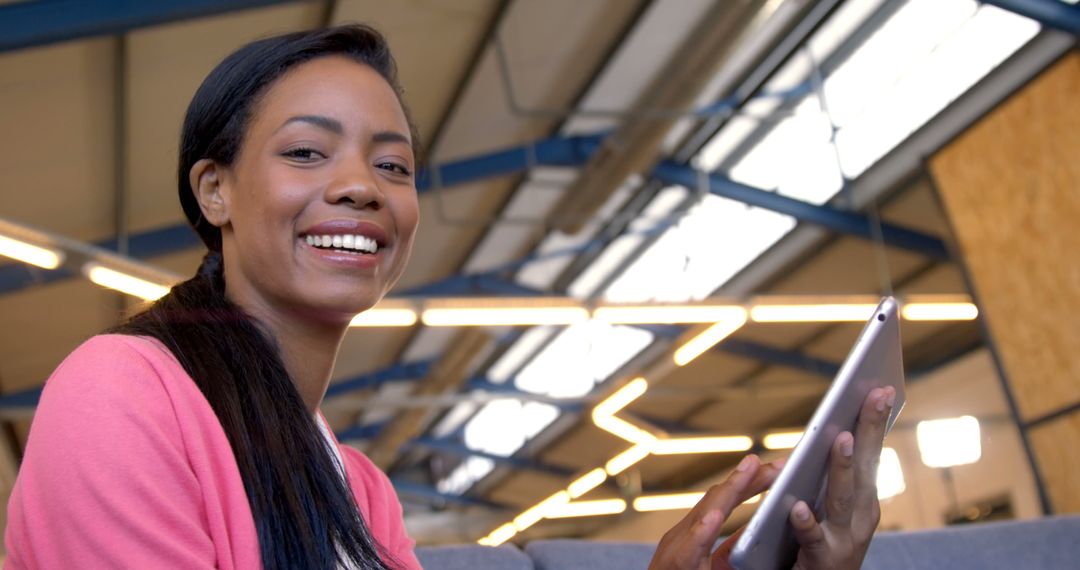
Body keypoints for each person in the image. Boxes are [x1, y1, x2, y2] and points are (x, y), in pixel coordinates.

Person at [3, 24, 892, 570]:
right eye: (308, 153)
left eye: (392, 165)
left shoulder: (361, 495)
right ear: (214, 192)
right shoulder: (123, 393)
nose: (361, 187)